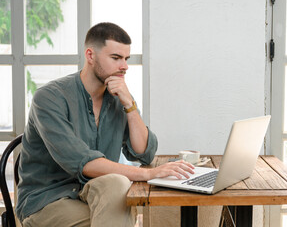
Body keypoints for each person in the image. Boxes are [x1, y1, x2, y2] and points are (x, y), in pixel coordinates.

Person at [16, 22, 194, 227]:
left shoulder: (119, 98)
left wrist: (130, 105)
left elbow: (143, 152)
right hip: (47, 202)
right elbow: (82, 162)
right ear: (90, 56)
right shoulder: (49, 98)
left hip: (97, 194)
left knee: (117, 183)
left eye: (126, 59)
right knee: (121, 216)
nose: (125, 66)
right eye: (116, 58)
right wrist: (148, 174)